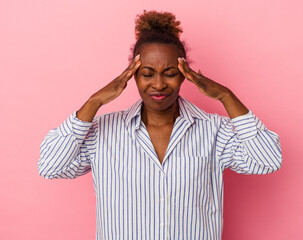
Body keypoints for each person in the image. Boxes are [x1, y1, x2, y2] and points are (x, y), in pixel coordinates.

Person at [38, 9, 282, 240]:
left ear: (184, 74)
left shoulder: (213, 130)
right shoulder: (102, 133)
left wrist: (226, 96)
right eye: (147, 73)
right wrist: (94, 101)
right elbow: (50, 166)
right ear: (132, 75)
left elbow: (268, 160)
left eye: (169, 73)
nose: (158, 84)